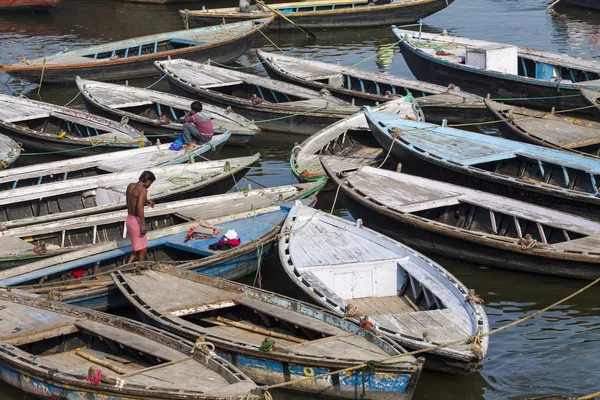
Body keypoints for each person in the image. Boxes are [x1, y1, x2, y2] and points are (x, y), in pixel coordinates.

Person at [125, 171, 156, 264]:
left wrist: (146, 201)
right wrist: (143, 224)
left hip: (129, 219)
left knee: (137, 248)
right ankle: (140, 270)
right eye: (151, 183)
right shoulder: (143, 190)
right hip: (136, 221)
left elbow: (132, 199)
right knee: (142, 249)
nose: (150, 185)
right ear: (147, 181)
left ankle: (126, 266)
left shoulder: (130, 186)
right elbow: (139, 207)